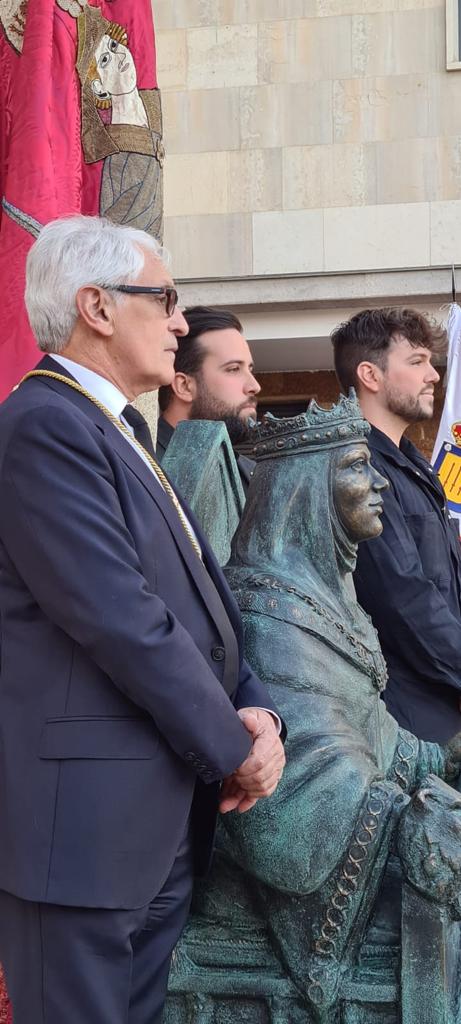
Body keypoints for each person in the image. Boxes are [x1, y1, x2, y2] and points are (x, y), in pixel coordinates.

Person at [0, 215, 285, 1024]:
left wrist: (260, 710)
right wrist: (235, 749)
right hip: (82, 838)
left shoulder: (116, 428)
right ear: (95, 306)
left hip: (146, 825)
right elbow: (122, 620)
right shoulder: (44, 426)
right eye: (162, 298)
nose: (179, 322)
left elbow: (201, 603)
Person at [331, 307, 461, 743]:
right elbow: (404, 599)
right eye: (417, 362)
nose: (434, 376)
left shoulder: (412, 462)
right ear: (371, 375)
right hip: (411, 721)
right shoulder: (359, 468)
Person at [157, 306, 260, 490]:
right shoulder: (143, 464)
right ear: (184, 386)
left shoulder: (251, 475)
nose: (254, 386)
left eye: (250, 369)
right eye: (234, 369)